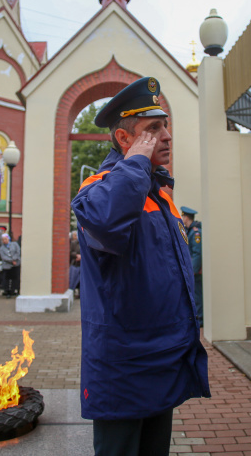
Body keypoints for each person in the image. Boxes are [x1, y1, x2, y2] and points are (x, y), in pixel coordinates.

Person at [71, 76, 210, 455]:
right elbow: (106, 221)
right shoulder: (98, 189)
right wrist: (135, 164)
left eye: (165, 125)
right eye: (153, 128)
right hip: (124, 366)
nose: (166, 135)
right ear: (123, 139)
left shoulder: (160, 195)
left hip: (163, 360)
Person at [181, 206, 203, 327]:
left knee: (197, 295)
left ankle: (200, 319)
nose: (182, 218)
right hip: (193, 270)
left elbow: (197, 253)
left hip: (196, 271)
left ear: (186, 217)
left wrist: (193, 270)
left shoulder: (195, 232)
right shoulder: (189, 231)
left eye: (183, 216)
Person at [68, 230, 81, 295]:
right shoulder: (73, 243)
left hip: (82, 265)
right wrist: (76, 255)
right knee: (73, 280)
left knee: (81, 282)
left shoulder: (84, 243)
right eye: (75, 235)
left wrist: (82, 257)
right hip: (75, 264)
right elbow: (70, 252)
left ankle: (79, 294)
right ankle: (72, 292)